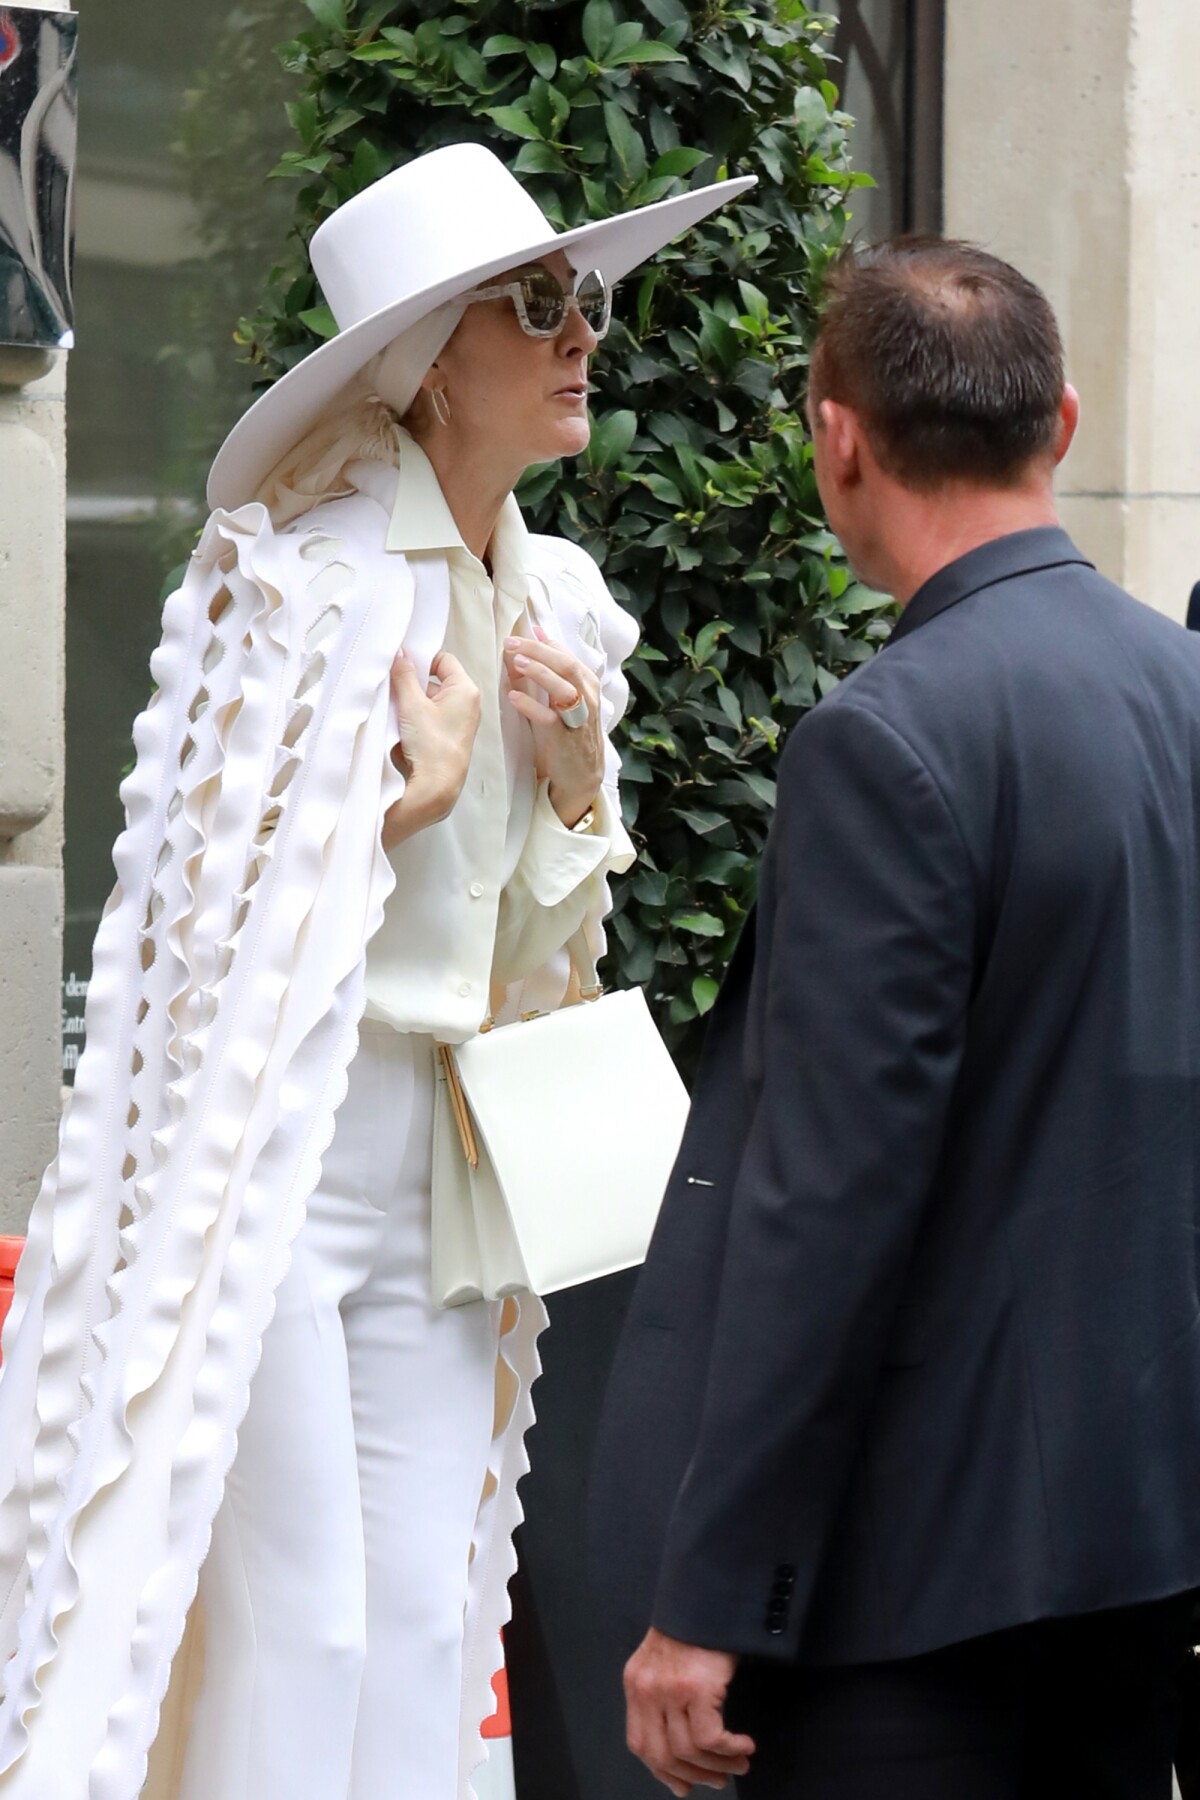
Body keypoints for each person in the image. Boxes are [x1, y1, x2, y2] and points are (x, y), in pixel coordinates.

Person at [0, 145, 751, 1800]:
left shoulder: (555, 595)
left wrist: (567, 785)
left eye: (588, 301)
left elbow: (534, 958)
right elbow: (205, 946)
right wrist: (393, 805)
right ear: (428, 360)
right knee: (309, 1628)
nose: (583, 339)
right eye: (539, 304)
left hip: (448, 1162)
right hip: (280, 1160)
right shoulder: (306, 583)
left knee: (426, 1620)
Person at [590, 237, 1200, 1800]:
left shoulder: (886, 740)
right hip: (1144, 1544)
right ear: (1061, 423)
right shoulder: (1179, 690)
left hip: (920, 1590)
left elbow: (828, 1203)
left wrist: (708, 1595)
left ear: (836, 440)